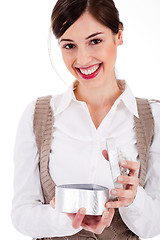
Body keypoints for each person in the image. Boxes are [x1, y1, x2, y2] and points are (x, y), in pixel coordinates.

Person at [11, 0, 160, 239]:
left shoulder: (153, 118)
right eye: (69, 45)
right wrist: (65, 217)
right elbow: (21, 214)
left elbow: (155, 225)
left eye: (95, 41)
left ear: (118, 35)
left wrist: (134, 199)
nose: (82, 59)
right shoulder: (36, 115)